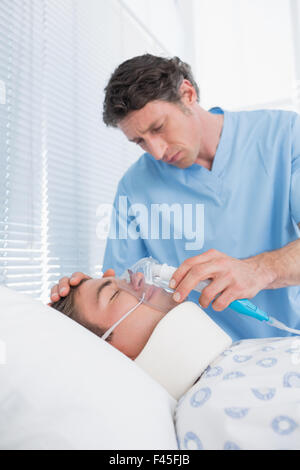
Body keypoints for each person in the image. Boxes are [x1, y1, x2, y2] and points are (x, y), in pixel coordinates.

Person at [50, 54, 300, 341]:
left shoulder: (283, 136)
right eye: (140, 141)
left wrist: (259, 270)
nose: (156, 151)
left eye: (158, 128)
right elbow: (121, 294)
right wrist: (79, 301)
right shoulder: (135, 188)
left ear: (187, 94)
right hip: (203, 363)